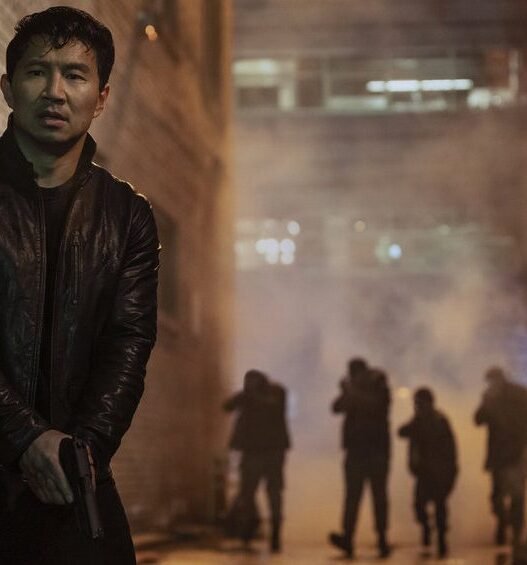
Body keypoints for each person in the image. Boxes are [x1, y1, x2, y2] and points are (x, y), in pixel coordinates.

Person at [0, 7, 159, 564]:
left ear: (102, 96)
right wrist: (24, 438)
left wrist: (79, 453)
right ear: (8, 88)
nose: (55, 92)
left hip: (76, 476)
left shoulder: (127, 215)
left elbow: (129, 344)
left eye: (74, 74)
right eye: (37, 72)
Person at [329, 358, 391, 559]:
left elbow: (376, 407)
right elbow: (336, 408)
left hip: (376, 451)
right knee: (352, 497)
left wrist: (351, 391)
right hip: (356, 452)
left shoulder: (379, 386)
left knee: (378, 497)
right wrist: (346, 393)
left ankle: (382, 538)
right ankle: (348, 537)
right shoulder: (354, 390)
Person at [223, 369, 290, 553]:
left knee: (273, 493)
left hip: (272, 453)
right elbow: (227, 406)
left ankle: (275, 534)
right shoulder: (247, 396)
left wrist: (251, 396)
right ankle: (248, 529)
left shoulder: (276, 392)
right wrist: (244, 396)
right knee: (248, 492)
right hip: (252, 452)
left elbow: (273, 406)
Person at [398, 387, 458, 559]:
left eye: (420, 403)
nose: (418, 406)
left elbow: (450, 449)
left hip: (438, 472)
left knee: (439, 507)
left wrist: (450, 471)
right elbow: (402, 432)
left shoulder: (439, 421)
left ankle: (441, 539)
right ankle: (427, 528)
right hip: (424, 473)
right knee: (419, 506)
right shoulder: (418, 421)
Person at [474, 367, 527, 550]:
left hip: (515, 454)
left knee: (516, 496)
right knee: (498, 497)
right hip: (500, 456)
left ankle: (515, 533)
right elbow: (478, 419)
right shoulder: (490, 397)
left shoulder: (519, 394)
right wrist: (487, 403)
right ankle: (504, 524)